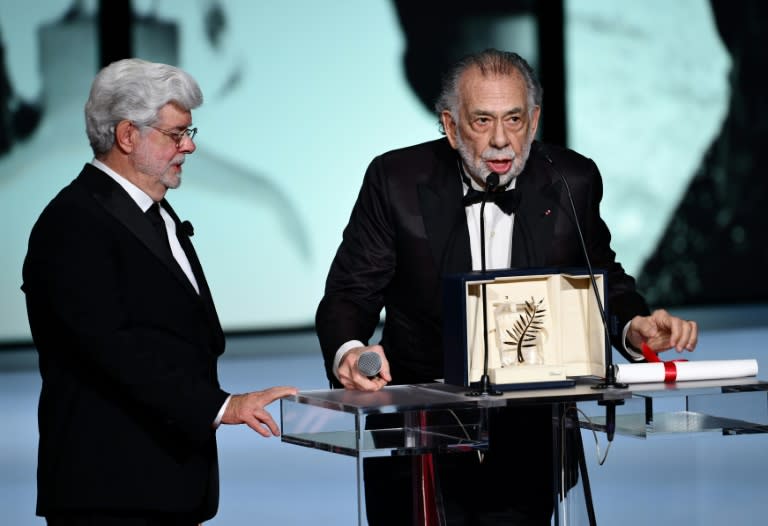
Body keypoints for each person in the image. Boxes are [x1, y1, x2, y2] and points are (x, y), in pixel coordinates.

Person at [316, 49, 698, 525]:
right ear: (451, 126)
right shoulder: (396, 181)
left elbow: (602, 277)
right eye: (482, 121)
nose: (501, 140)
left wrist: (634, 328)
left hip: (530, 446)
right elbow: (350, 293)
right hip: (420, 447)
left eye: (514, 119)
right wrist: (350, 350)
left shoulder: (570, 180)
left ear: (534, 120)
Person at [21, 58, 297, 526]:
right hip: (111, 491)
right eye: (175, 134)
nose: (188, 146)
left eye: (190, 132)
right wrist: (222, 406)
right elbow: (110, 349)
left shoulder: (155, 213)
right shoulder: (74, 223)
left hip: (166, 483)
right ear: (128, 136)